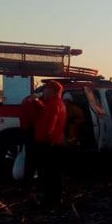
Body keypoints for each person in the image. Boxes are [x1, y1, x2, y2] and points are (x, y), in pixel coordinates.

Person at [28, 80, 67, 208]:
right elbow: (42, 112)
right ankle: (55, 199)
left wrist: (41, 143)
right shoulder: (53, 103)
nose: (43, 90)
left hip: (49, 144)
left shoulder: (53, 105)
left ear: (53, 91)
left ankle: (51, 201)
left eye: (46, 88)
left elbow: (47, 126)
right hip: (53, 143)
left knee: (50, 174)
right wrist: (36, 102)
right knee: (53, 173)